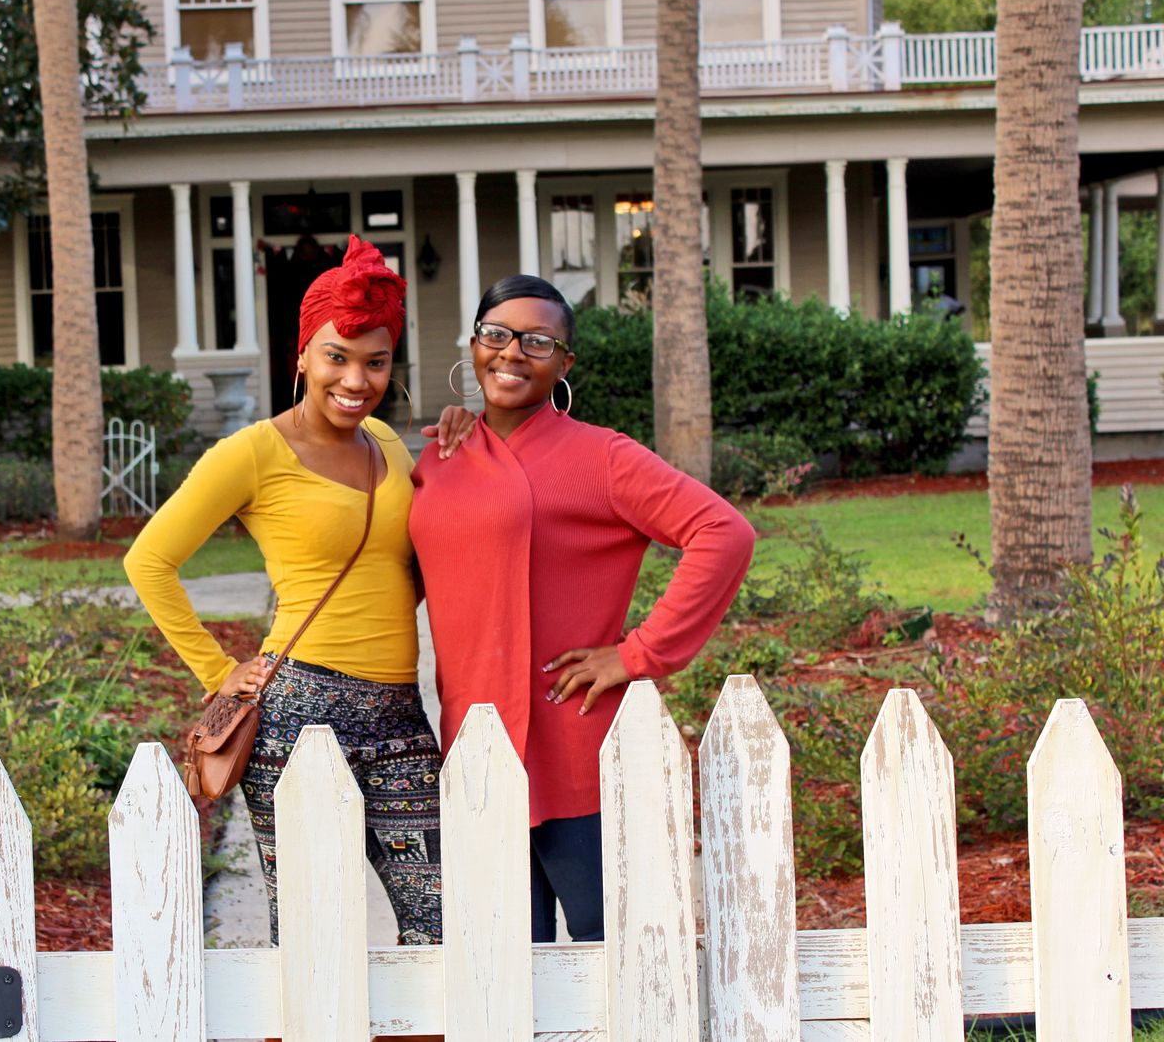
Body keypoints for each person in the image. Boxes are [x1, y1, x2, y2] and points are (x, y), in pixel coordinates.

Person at [125, 236, 470, 947]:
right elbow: (149, 560)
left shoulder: (387, 443)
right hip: (300, 714)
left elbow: (404, 565)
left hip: (400, 714)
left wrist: (466, 437)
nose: (356, 379)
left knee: (443, 926)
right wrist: (219, 671)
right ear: (303, 355)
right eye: (337, 356)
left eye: (376, 362)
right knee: (316, 938)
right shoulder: (254, 451)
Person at [410, 274, 755, 943]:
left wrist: (638, 654)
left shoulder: (602, 456)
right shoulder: (440, 458)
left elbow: (724, 533)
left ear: (564, 363)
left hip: (574, 748)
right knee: (506, 966)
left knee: (614, 956)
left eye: (538, 341)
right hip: (475, 745)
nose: (512, 352)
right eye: (496, 334)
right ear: (473, 346)